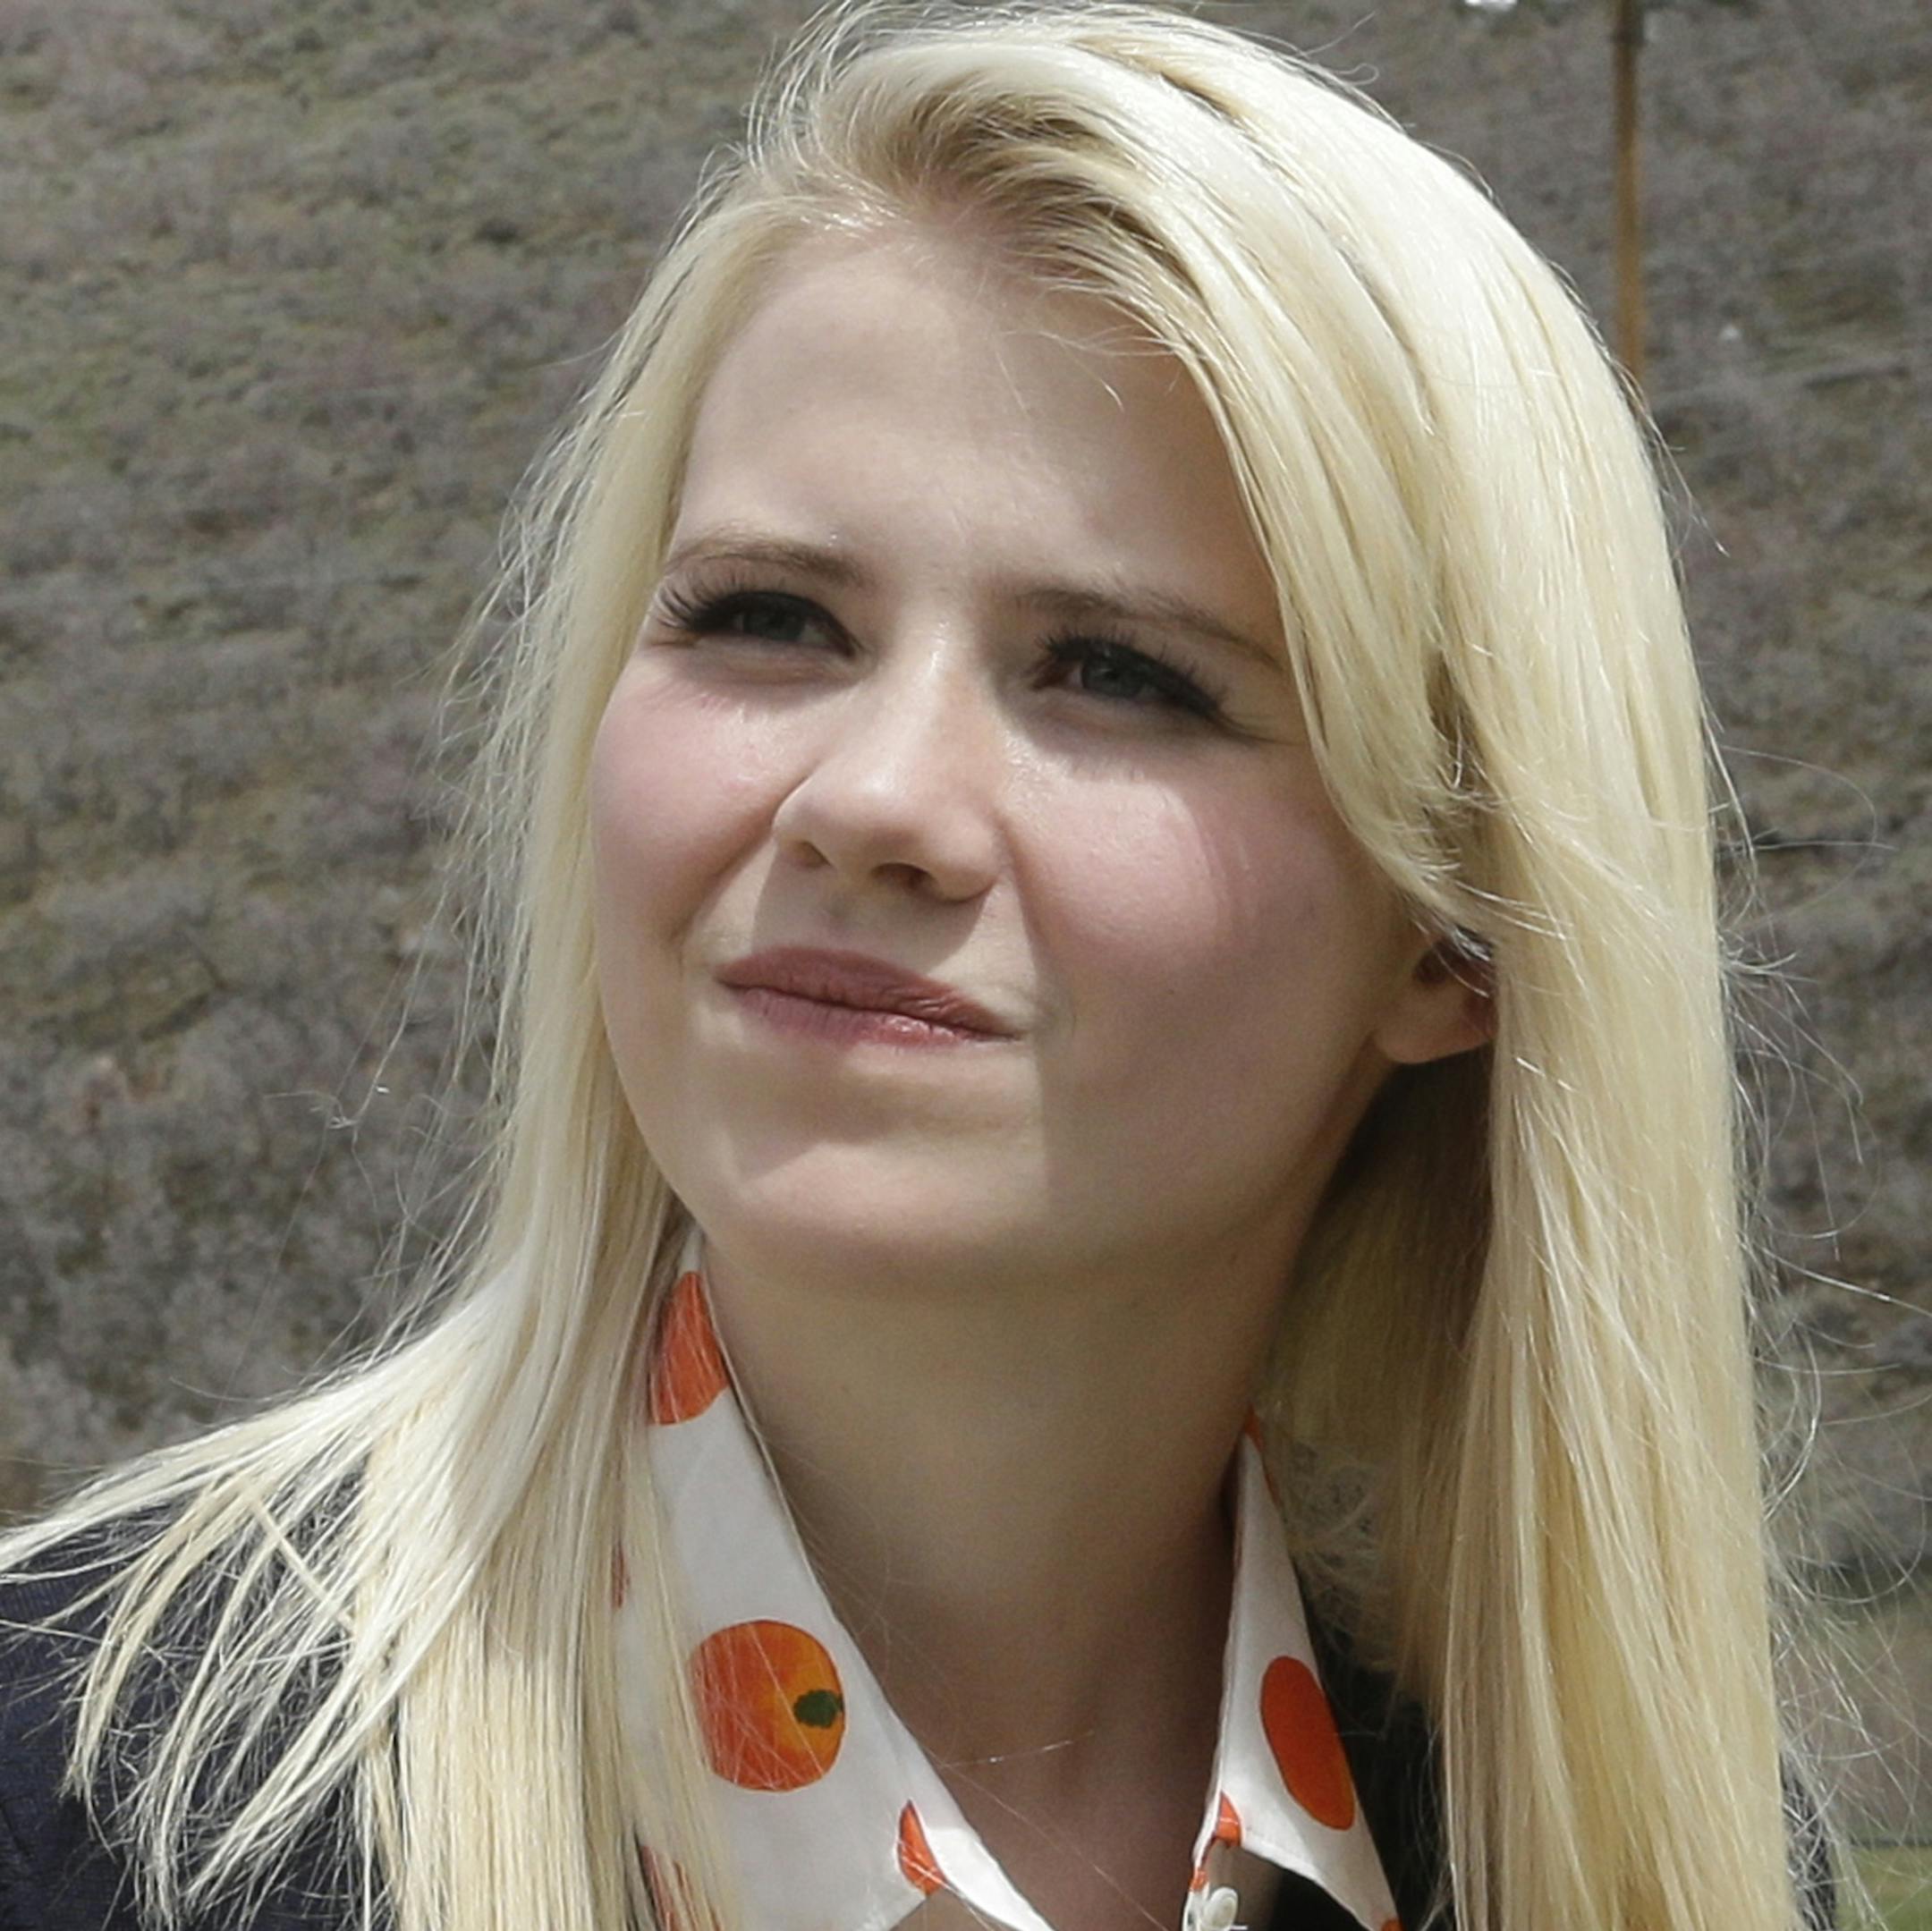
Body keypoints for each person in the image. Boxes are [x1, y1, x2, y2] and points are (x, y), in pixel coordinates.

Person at [0, 4, 1845, 1928]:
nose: (871, 799)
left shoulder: (1657, 1859)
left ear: (1456, 932)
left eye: (1120, 674)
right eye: (772, 617)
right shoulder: (72, 1807)